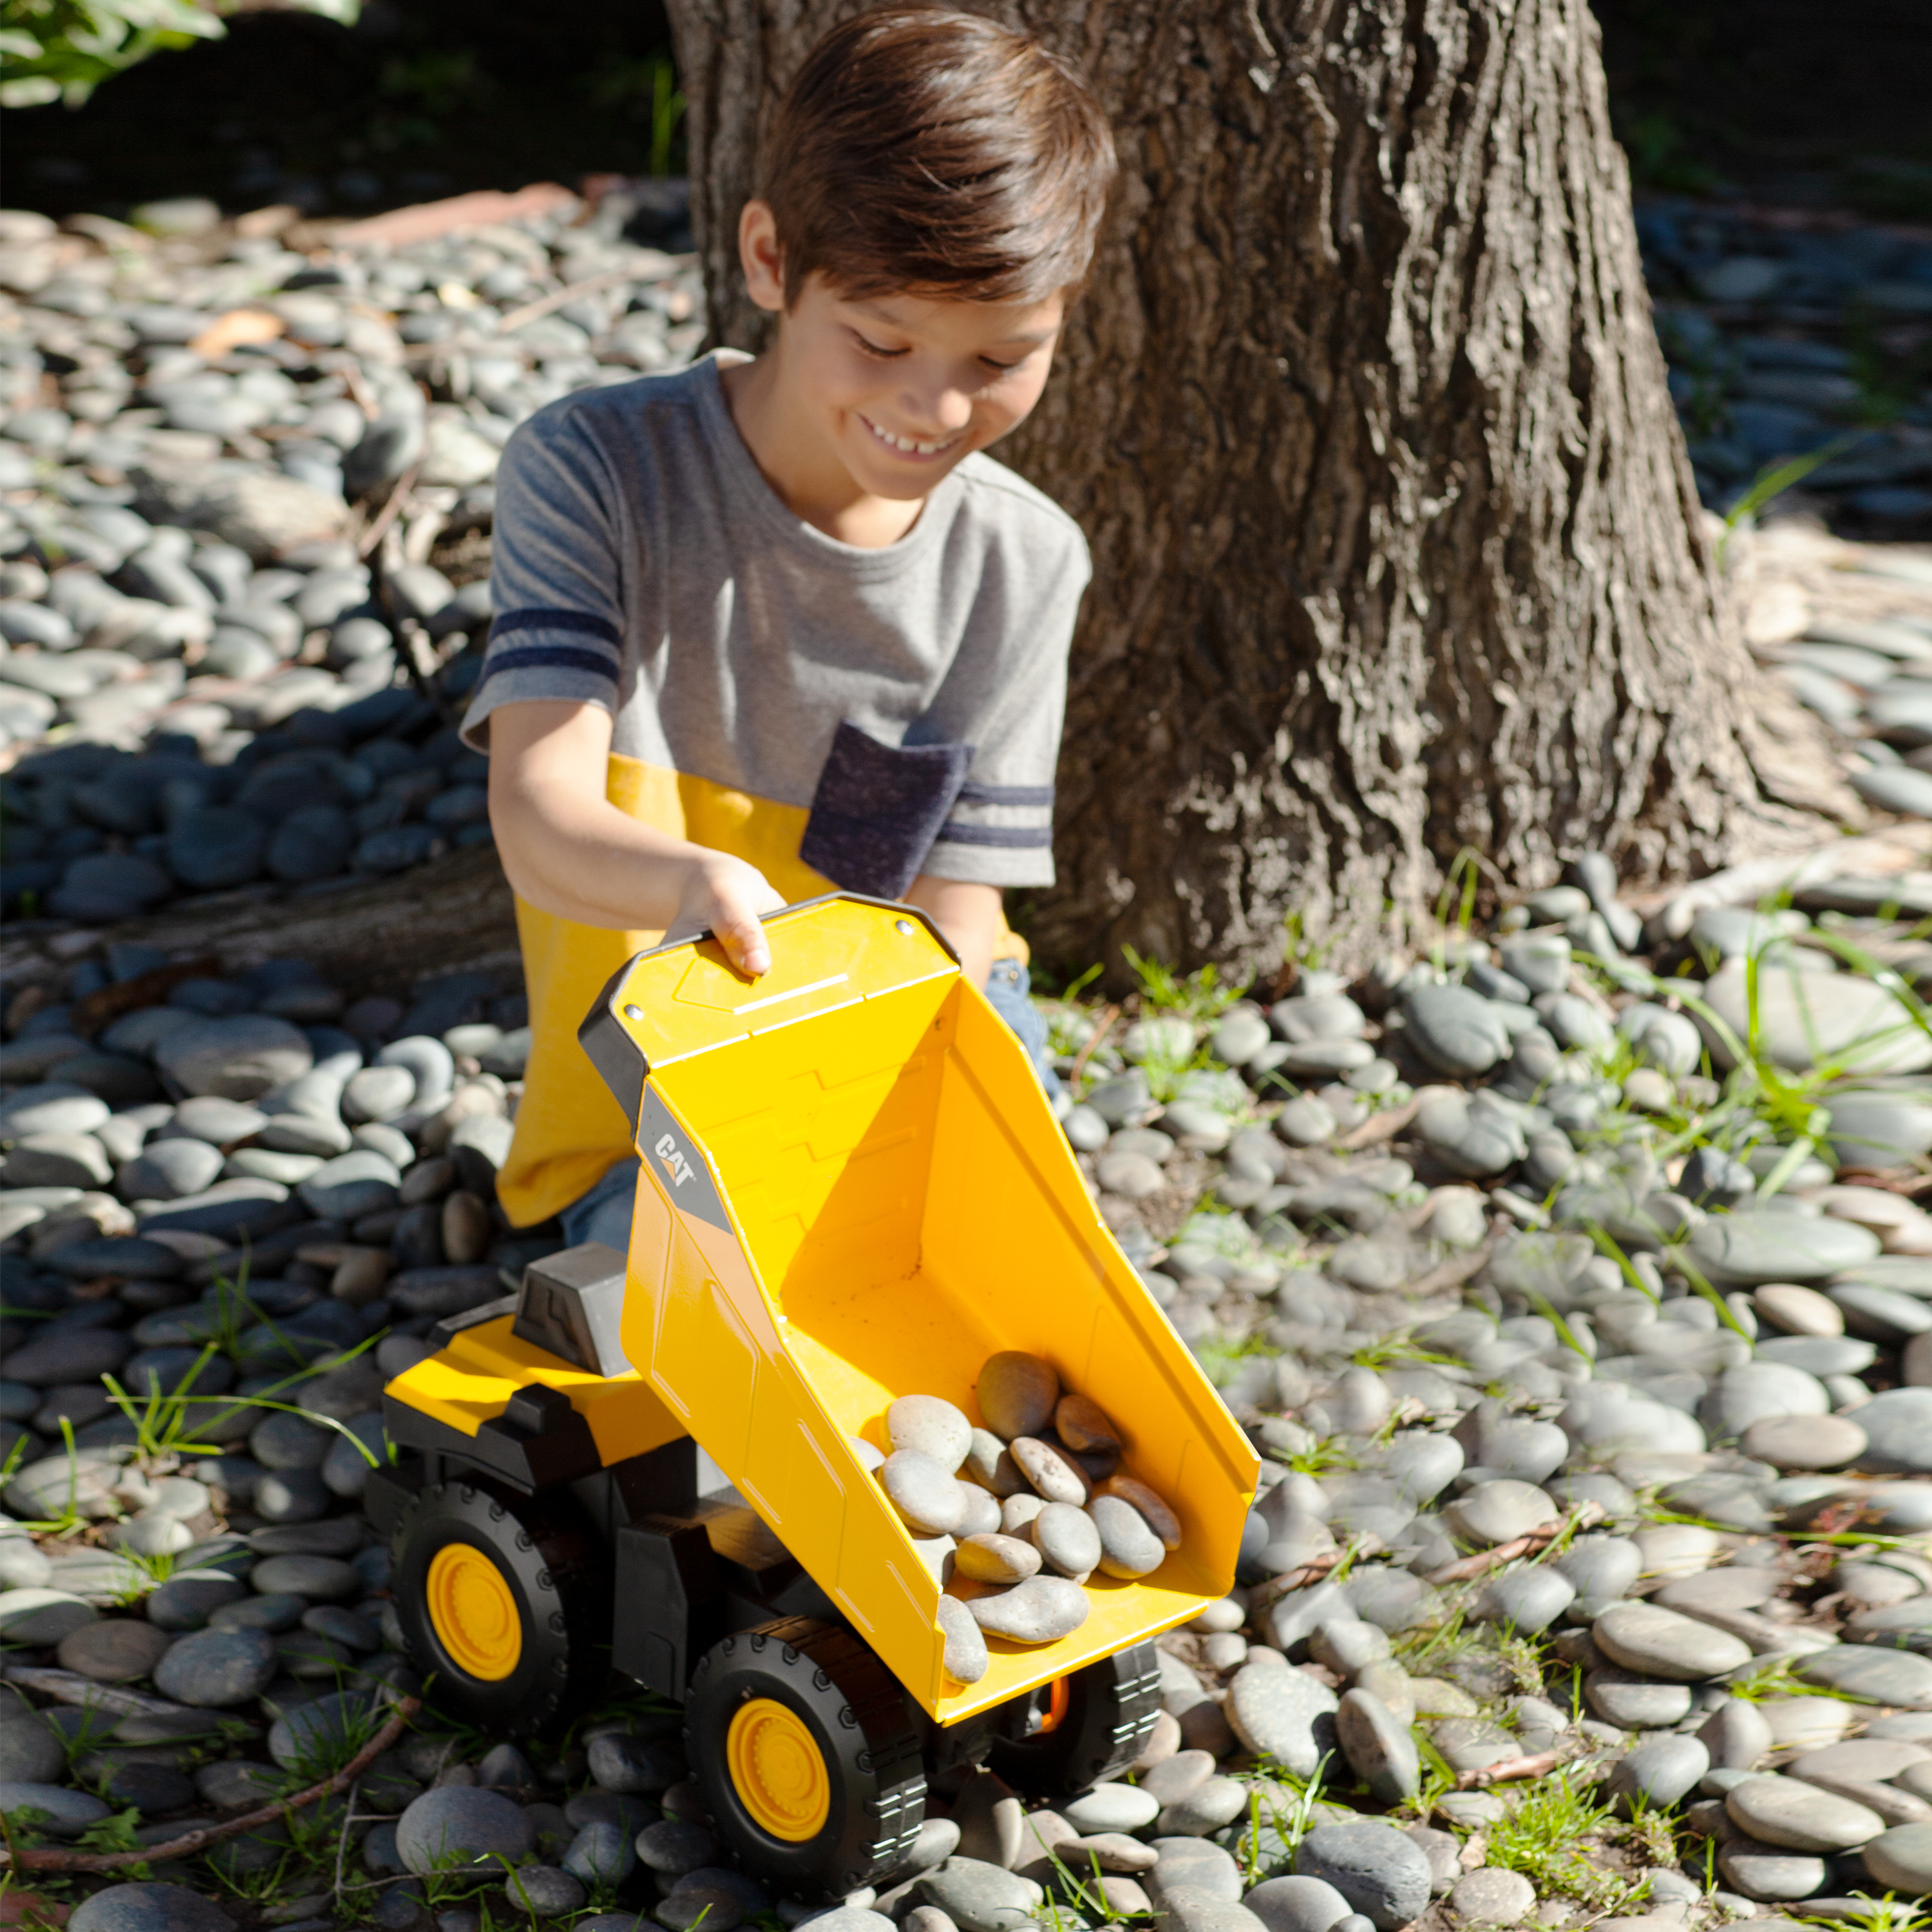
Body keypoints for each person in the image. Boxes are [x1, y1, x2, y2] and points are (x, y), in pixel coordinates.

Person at [469, 6, 1117, 1256]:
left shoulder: (1023, 559)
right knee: (697, 1341)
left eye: (1002, 358)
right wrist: (692, 888)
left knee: (993, 1302)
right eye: (880, 341)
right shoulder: (597, 470)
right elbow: (536, 814)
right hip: (648, 1101)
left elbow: (957, 911)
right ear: (770, 260)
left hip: (906, 1034)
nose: (934, 406)